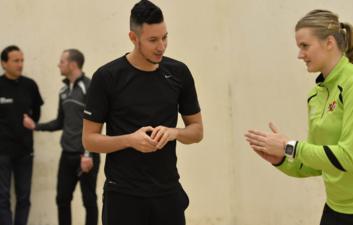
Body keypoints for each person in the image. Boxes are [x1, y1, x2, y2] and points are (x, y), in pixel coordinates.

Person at [245, 9, 353, 225]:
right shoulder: (316, 95)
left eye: (305, 46)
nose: (300, 55)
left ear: (329, 43)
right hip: (336, 209)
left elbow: (348, 158)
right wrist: (281, 159)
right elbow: (317, 164)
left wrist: (289, 146)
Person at [81, 1, 203, 225]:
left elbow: (197, 131)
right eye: (153, 40)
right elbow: (89, 140)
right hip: (123, 196)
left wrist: (173, 132)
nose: (161, 47)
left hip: (167, 194)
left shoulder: (179, 73)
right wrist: (129, 140)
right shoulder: (107, 77)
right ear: (133, 38)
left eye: (165, 37)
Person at [23, 49, 100, 225]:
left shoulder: (89, 88)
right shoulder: (63, 91)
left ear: (73, 64)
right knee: (62, 199)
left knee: (89, 201)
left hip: (86, 155)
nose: (59, 64)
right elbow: (60, 122)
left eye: (62, 61)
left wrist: (88, 154)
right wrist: (36, 126)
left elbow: (95, 124)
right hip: (67, 155)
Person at [0, 45, 44, 225]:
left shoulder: (30, 85)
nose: (20, 64)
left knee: (24, 196)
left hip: (25, 151)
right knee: (2, 197)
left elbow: (37, 112)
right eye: (15, 61)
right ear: (4, 63)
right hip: (2, 152)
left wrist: (31, 123)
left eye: (22, 60)